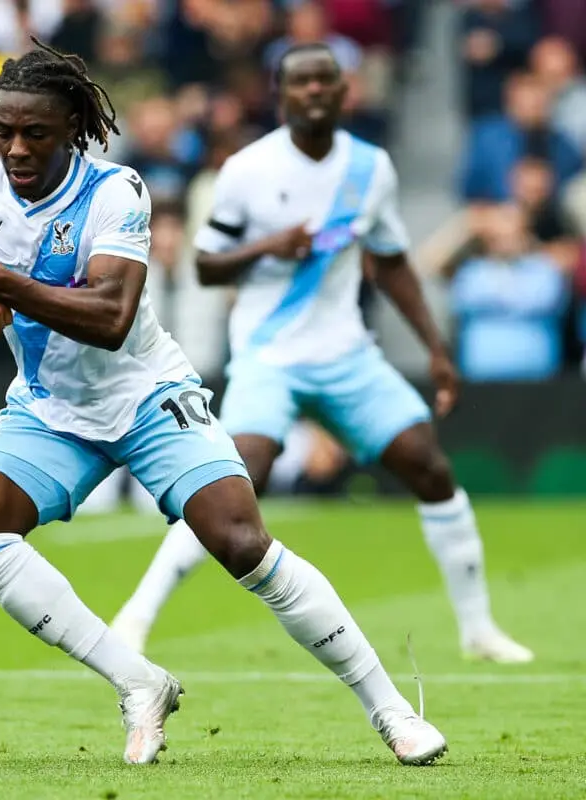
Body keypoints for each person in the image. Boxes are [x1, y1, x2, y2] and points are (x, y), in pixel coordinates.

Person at [0, 39, 447, 766]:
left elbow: (111, 316)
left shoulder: (116, 191)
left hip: (147, 395)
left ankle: (391, 710)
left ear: (74, 129)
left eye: (36, 134)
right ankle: (137, 680)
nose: (15, 149)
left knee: (241, 542)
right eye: (3, 131)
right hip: (51, 407)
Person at [110, 43, 533, 668]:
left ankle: (477, 628)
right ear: (280, 94)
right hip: (268, 354)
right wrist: (270, 246)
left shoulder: (371, 169)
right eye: (300, 82)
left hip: (345, 354)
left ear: (344, 93)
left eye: (324, 81)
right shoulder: (249, 170)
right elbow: (204, 265)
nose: (313, 91)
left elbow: (389, 263)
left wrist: (436, 351)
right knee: (234, 479)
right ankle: (135, 617)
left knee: (429, 467)